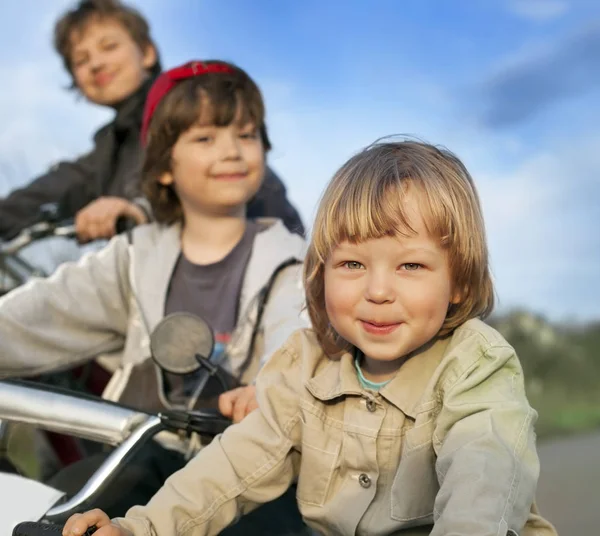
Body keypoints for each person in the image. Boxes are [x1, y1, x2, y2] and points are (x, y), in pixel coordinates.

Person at [64, 139, 559, 536]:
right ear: (321, 276)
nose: (378, 291)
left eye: (411, 265)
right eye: (351, 264)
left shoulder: (476, 364)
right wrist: (142, 527)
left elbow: (485, 476)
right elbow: (231, 468)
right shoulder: (303, 367)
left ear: (461, 283)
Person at [0, 60, 308, 534]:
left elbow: (297, 338)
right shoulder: (133, 258)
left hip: (244, 472)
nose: (231, 151)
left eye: (245, 135)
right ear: (164, 167)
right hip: (141, 455)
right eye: (205, 139)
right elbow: (35, 316)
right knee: (59, 518)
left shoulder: (294, 265)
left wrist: (271, 389)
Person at [0, 0, 304, 245]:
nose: (96, 64)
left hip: (262, 262)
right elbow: (60, 185)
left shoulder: (187, 107)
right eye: (81, 60)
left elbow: (191, 172)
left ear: (146, 52)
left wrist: (133, 206)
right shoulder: (110, 147)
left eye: (109, 46)